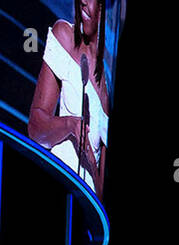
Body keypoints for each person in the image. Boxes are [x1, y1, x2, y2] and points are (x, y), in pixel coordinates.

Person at [29, 0, 111, 196]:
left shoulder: (106, 92)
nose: (83, 1)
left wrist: (91, 159)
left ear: (104, 9)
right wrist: (70, 125)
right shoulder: (64, 36)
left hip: (86, 210)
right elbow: (35, 128)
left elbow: (101, 190)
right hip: (58, 186)